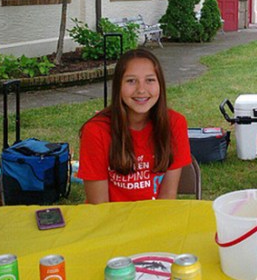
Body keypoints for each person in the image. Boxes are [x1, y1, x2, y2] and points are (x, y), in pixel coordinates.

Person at [78, 48, 191, 203]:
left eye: (150, 80)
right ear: (118, 86)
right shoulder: (95, 131)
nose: (141, 90)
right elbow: (99, 206)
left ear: (160, 85)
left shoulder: (175, 123)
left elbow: (167, 197)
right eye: (131, 81)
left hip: (155, 220)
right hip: (111, 222)